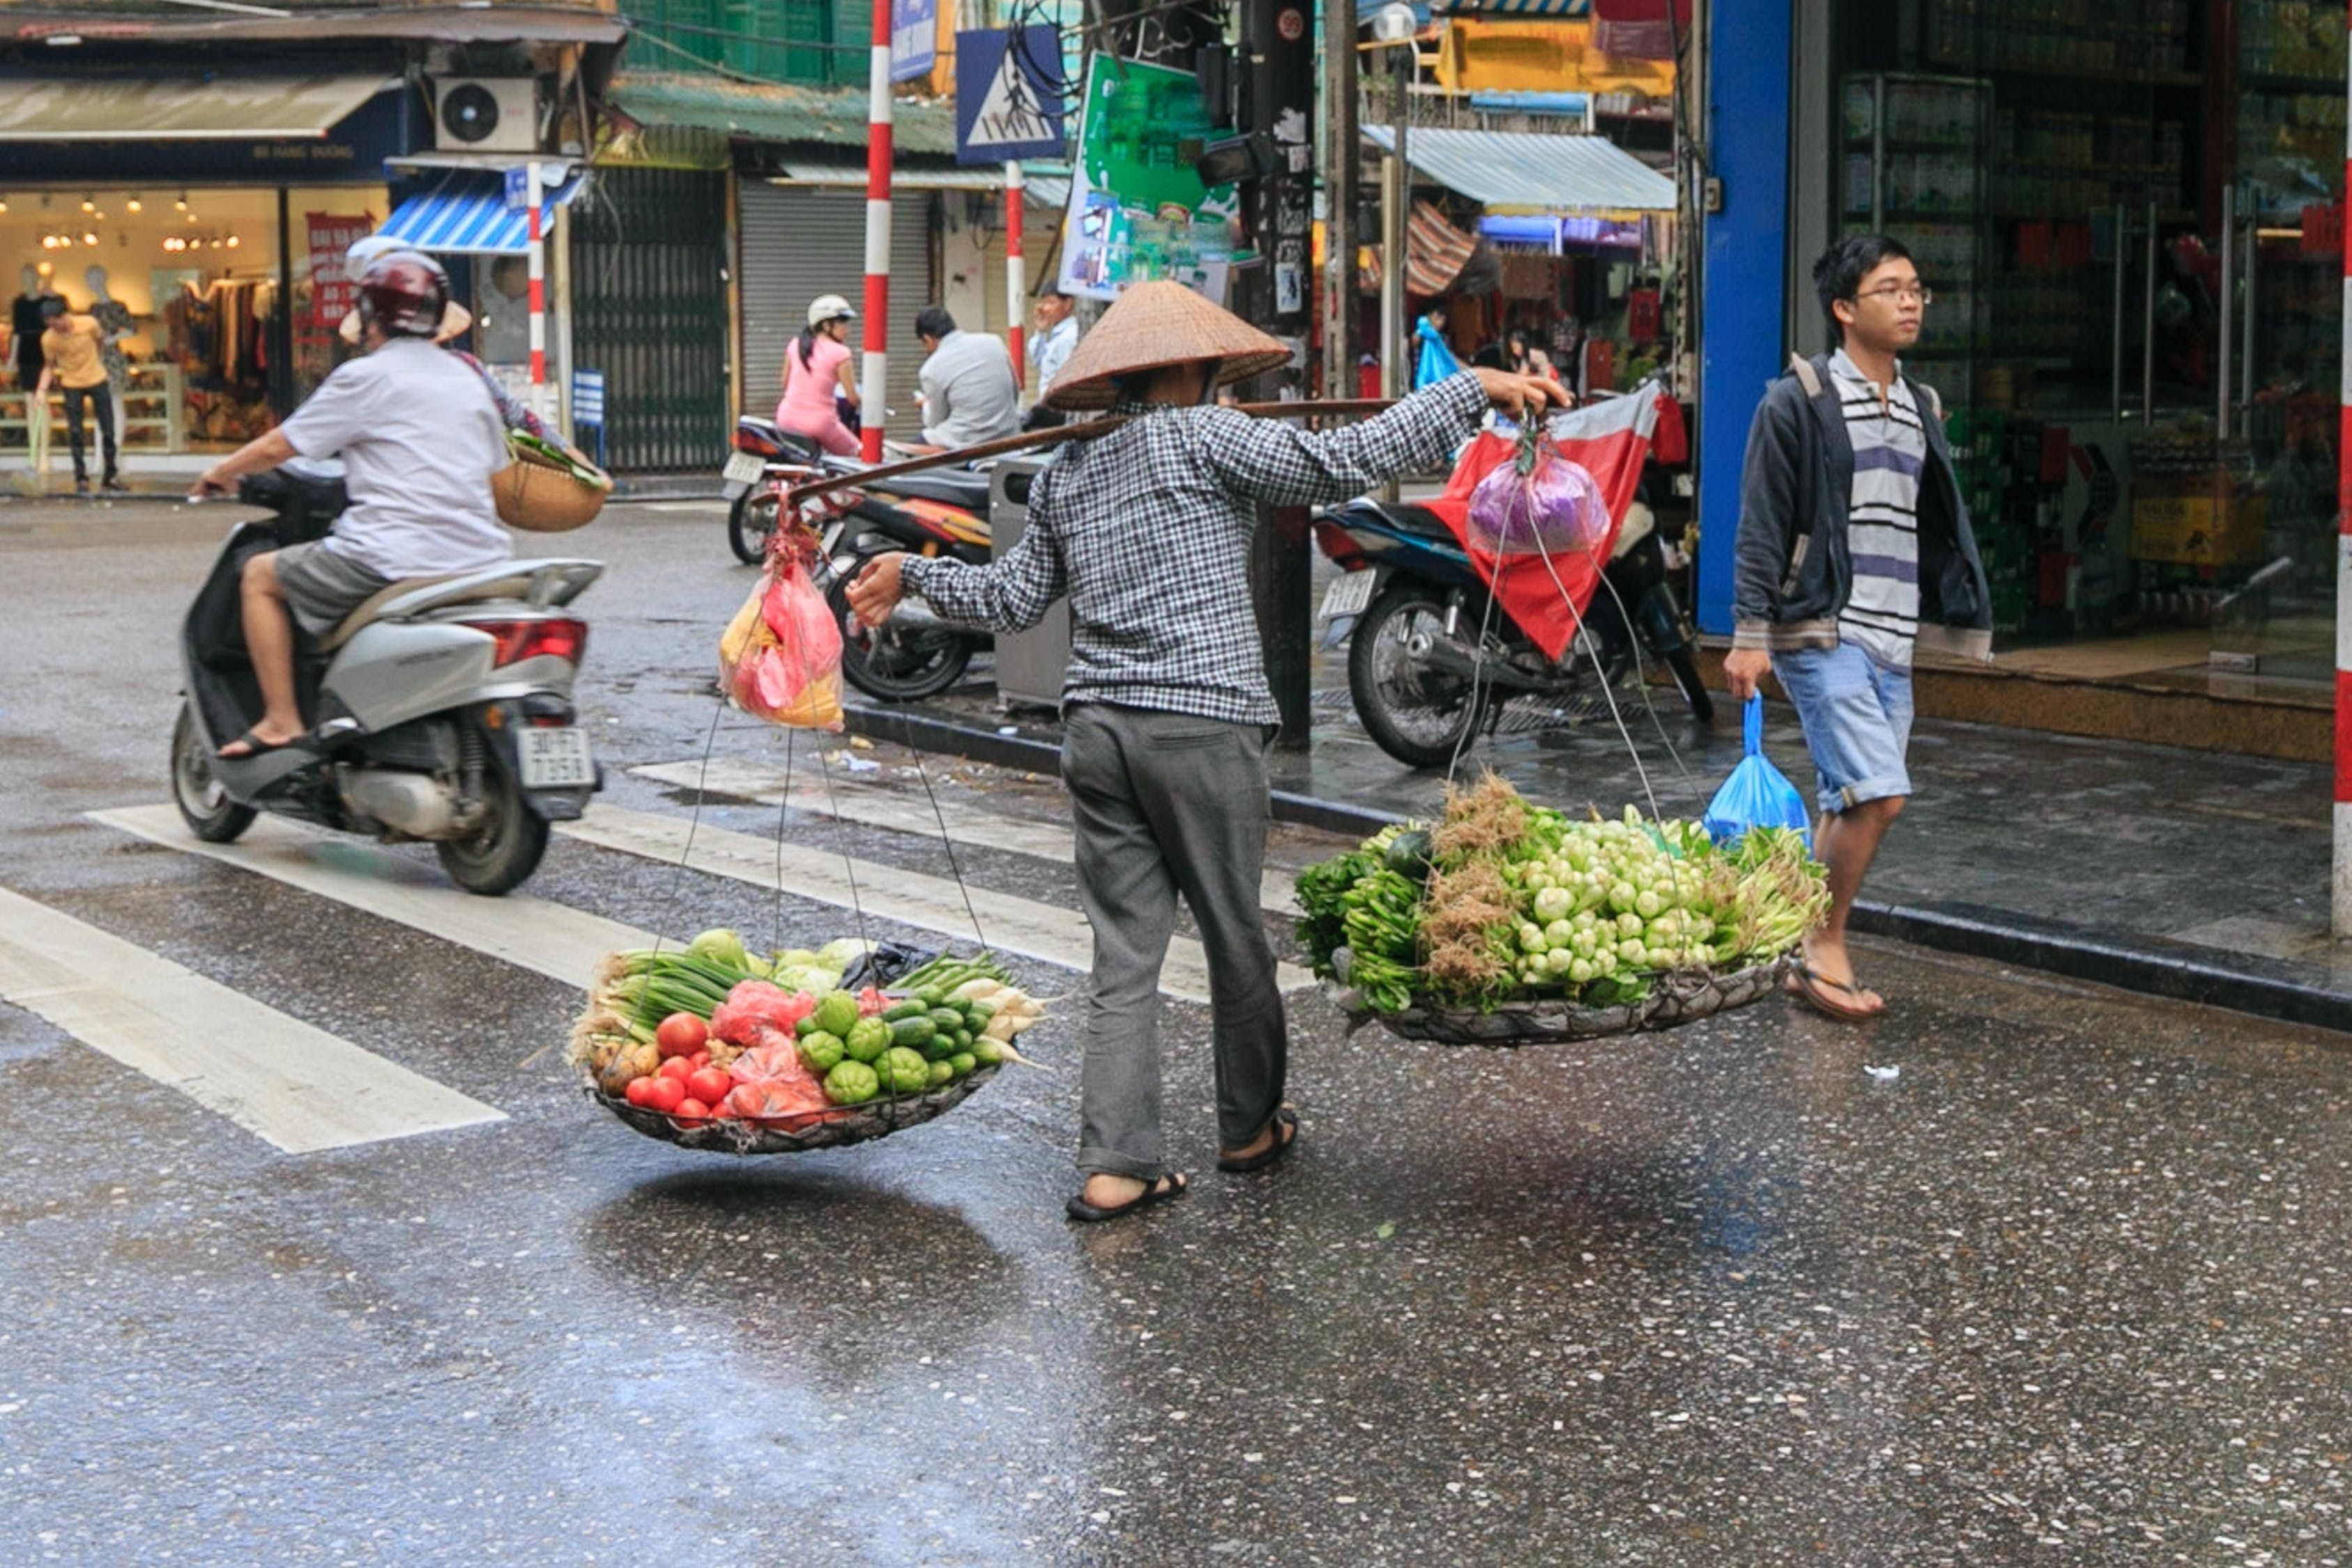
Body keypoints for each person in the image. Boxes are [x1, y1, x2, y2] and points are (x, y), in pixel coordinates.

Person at [846, 281, 1564, 1223]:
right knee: (1234, 937)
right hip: (1201, 721)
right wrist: (1468, 386)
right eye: (1209, 371)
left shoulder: (1067, 468)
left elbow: (1014, 599)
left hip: (1097, 733)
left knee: (1123, 957)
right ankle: (1247, 1127)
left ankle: (1114, 1164)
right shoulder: (1204, 435)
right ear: (1185, 368)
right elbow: (1344, 459)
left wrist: (915, 574)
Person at [1722, 235, 1991, 1022]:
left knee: (1847, 799)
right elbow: (1762, 523)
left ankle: (1789, 940)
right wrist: (1749, 633)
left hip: (1893, 637)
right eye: (1889, 289)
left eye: (1916, 289)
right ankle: (1821, 943)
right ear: (1844, 309)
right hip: (1819, 631)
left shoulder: (1922, 406)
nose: (1909, 302)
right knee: (1879, 795)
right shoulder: (1797, 400)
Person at [191, 252, 512, 760]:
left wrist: (220, 472)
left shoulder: (364, 377)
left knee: (258, 576)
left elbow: (281, 446)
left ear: (371, 317)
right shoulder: (467, 379)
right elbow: (496, 468)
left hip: (392, 555)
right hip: (483, 558)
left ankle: (280, 720)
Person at [33, 298, 121, 493]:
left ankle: (110, 475)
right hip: (71, 383)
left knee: (108, 429)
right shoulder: (49, 339)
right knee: (75, 431)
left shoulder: (89, 323)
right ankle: (81, 477)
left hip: (97, 378)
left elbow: (99, 343)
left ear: (65, 315)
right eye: (50, 324)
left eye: (57, 322)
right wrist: (41, 390)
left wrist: (93, 363)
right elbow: (49, 366)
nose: (55, 327)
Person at [912, 305, 1018, 449]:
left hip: (966, 442)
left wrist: (925, 405)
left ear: (928, 339)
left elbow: (935, 422)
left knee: (904, 452)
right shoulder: (994, 341)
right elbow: (1014, 391)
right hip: (1008, 433)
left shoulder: (931, 368)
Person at [777, 293, 861, 456]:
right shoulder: (841, 353)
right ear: (826, 325)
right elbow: (852, 398)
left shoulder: (795, 344)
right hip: (821, 424)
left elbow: (784, 383)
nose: (847, 330)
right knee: (860, 456)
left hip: (786, 419)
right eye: (842, 322)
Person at [1023, 287, 1080, 431]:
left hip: (1058, 412)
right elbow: (1037, 362)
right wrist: (1041, 331)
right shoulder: (1055, 334)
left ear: (1067, 304)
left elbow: (1067, 379)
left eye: (1050, 303)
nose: (1044, 309)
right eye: (1043, 303)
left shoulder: (1069, 336)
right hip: (1049, 407)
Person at [1413, 302, 1461, 390]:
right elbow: (1414, 342)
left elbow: (1449, 357)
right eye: (1437, 318)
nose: (1440, 323)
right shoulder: (1420, 335)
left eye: (1443, 320)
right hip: (1422, 384)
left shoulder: (1444, 339)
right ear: (1429, 316)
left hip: (1440, 383)